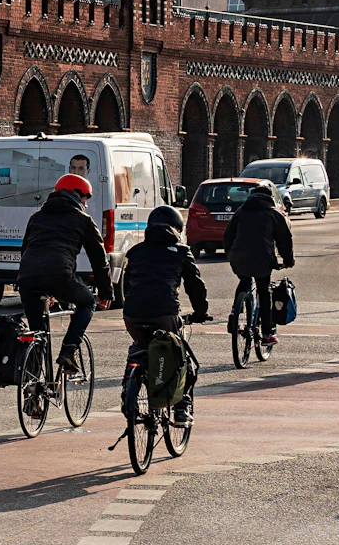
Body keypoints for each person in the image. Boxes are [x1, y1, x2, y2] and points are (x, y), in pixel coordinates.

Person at [118, 204, 208, 423]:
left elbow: (127, 284)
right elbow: (195, 285)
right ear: (177, 229)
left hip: (132, 314)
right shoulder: (181, 251)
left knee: (140, 346)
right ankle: (181, 407)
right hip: (165, 313)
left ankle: (129, 386)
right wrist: (200, 311)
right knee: (180, 355)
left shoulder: (136, 251)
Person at [16, 173, 112, 377]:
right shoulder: (83, 219)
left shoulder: (37, 217)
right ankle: (69, 350)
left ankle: (32, 393)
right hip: (60, 275)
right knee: (87, 303)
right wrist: (105, 293)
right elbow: (99, 260)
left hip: (28, 278)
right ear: (77, 194)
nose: (86, 204)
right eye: (86, 198)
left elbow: (25, 250)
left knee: (37, 332)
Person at [222, 181, 294, 346]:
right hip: (262, 258)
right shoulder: (273, 214)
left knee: (244, 280)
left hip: (238, 256)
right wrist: (288, 261)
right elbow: (284, 240)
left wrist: (230, 253)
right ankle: (267, 334)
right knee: (263, 291)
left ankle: (235, 312)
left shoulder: (241, 212)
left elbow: (228, 235)